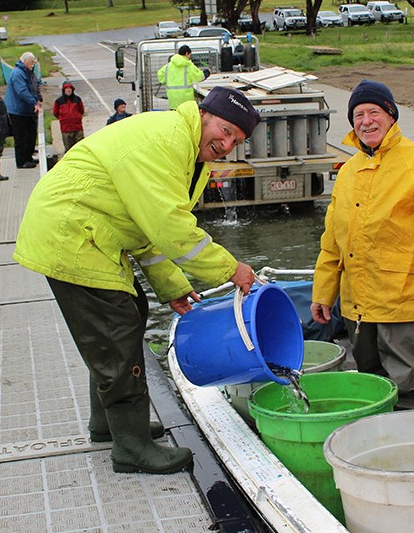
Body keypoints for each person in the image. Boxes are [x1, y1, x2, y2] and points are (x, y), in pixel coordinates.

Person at [13, 86, 261, 475]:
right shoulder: (166, 142)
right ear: (204, 114)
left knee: (129, 316)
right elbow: (169, 226)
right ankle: (131, 448)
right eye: (226, 130)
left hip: (93, 231)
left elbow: (147, 232)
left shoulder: (187, 150)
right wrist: (231, 269)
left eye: (238, 140)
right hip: (71, 231)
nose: (228, 143)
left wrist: (172, 286)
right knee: (117, 330)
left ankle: (109, 426)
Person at [311, 80, 414, 410]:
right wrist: (323, 292)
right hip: (357, 310)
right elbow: (332, 241)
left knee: (409, 391)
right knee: (371, 386)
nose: (366, 121)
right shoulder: (347, 172)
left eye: (374, 112)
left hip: (404, 309)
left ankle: (409, 456)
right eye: (358, 114)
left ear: (391, 116)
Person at [4, 51, 42, 169]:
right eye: (31, 62)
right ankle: (21, 161)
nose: (33, 64)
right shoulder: (17, 74)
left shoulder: (30, 73)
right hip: (18, 111)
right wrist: (34, 102)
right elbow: (22, 91)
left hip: (29, 110)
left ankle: (29, 156)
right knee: (21, 137)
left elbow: (35, 86)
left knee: (31, 135)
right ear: (25, 61)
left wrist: (39, 98)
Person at [157, 45, 210, 110]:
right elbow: (199, 77)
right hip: (186, 99)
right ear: (187, 53)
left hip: (173, 98)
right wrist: (207, 72)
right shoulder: (188, 65)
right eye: (190, 55)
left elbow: (160, 77)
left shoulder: (168, 66)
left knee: (175, 117)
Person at [52, 80, 85, 152]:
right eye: (66, 88)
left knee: (80, 148)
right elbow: (55, 113)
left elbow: (81, 110)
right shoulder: (59, 101)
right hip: (66, 129)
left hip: (77, 128)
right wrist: (63, 119)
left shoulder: (77, 99)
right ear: (63, 90)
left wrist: (77, 117)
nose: (68, 90)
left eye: (70, 88)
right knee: (68, 149)